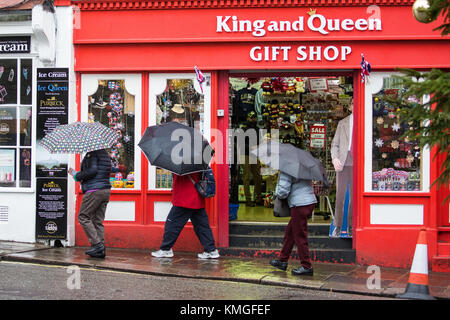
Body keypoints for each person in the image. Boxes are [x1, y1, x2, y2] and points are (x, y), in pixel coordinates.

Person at [152, 172, 219, 259]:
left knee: (172, 224)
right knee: (202, 226)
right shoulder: (198, 161)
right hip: (197, 198)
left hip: (184, 198)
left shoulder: (180, 161)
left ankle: (165, 249)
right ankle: (211, 250)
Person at [269, 172, 317, 276]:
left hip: (299, 204)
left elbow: (283, 192)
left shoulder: (287, 167)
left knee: (300, 236)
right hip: (309, 201)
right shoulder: (304, 164)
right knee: (290, 233)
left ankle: (306, 266)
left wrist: (276, 192)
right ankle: (282, 260)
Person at [69, 148, 112, 258]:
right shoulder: (105, 155)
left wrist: (76, 175)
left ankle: (97, 245)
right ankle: (100, 249)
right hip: (105, 190)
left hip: (94, 190)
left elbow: (92, 171)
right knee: (97, 220)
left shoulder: (92, 154)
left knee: (83, 216)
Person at [330, 97, 354, 238]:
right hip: (343, 162)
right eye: (352, 103)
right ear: (350, 106)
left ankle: (350, 225)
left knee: (354, 197)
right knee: (340, 196)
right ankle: (338, 225)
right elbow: (335, 145)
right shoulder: (343, 123)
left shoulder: (366, 122)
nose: (355, 106)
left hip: (358, 163)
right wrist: (335, 159)